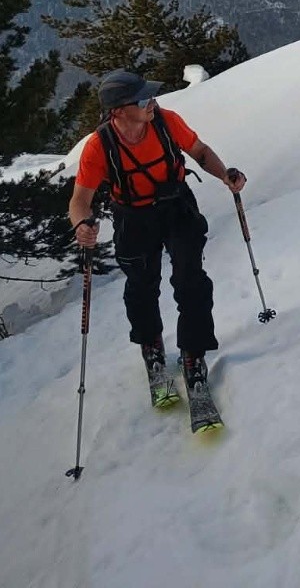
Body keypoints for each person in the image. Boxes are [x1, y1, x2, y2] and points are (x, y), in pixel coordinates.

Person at [68, 69, 246, 411]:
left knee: (191, 280)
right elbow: (79, 201)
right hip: (133, 218)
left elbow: (200, 151)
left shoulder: (166, 122)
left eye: (149, 95)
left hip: (177, 207)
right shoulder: (99, 146)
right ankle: (151, 349)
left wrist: (225, 175)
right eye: (142, 99)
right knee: (141, 286)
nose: (151, 102)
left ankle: (193, 353)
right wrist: (81, 224)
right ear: (118, 110)